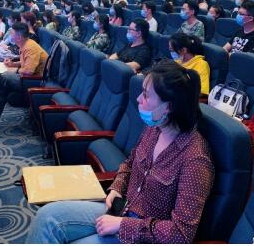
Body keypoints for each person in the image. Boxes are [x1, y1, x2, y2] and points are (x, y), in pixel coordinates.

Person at [27, 60, 214, 244]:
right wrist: (117, 187)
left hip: (143, 237)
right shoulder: (154, 128)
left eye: (146, 95)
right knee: (47, 217)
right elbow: (129, 163)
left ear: (169, 106)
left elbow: (181, 234)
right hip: (123, 209)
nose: (138, 99)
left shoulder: (195, 159)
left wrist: (123, 225)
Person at [0, 22, 48, 128]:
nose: (10, 36)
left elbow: (29, 71)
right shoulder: (25, 44)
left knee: (2, 78)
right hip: (27, 77)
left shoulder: (30, 47)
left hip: (35, 81)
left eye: (12, 34)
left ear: (18, 37)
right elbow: (25, 63)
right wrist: (12, 64)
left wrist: (14, 70)